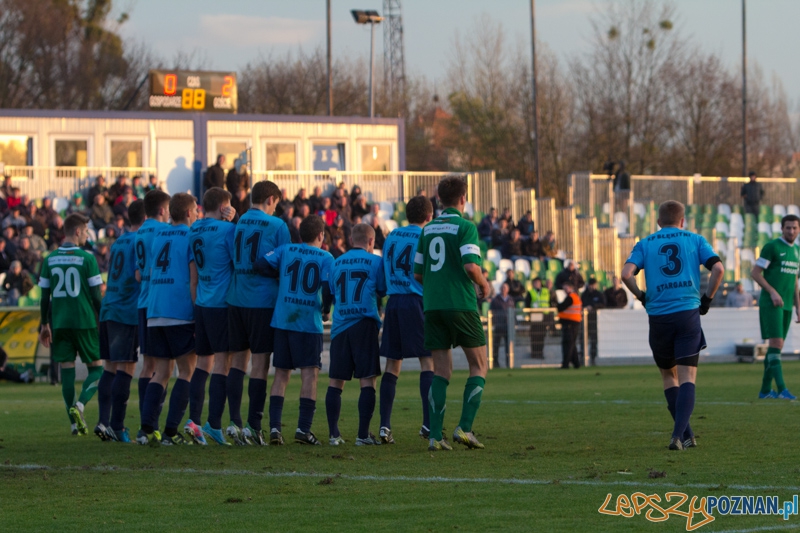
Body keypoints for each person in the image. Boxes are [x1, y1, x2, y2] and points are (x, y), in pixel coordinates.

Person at [621, 199, 724, 451]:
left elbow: (625, 275)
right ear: (682, 221)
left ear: (658, 222)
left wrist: (641, 296)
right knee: (688, 376)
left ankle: (685, 435)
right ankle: (679, 435)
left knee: (669, 375)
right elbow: (718, 269)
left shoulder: (645, 244)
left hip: (659, 316)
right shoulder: (695, 239)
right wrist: (707, 300)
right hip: (688, 314)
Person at [413, 176, 490, 451]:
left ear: (439, 200)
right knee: (479, 365)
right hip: (461, 304)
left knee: (441, 371)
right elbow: (471, 266)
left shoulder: (428, 230)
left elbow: (418, 273)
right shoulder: (466, 227)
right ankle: (465, 428)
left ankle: (435, 436)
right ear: (462, 199)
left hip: (432, 306)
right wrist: (483, 284)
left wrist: (438, 286)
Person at [255, 215, 334, 446]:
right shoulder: (326, 256)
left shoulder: (286, 250)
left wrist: (280, 275)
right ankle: (303, 429)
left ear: (300, 235)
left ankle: (274, 429)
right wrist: (326, 309)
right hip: (308, 322)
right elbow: (328, 287)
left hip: (282, 320)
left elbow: (260, 264)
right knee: (310, 375)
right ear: (321, 235)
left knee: (281, 374)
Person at [226, 180, 290, 445]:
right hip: (262, 301)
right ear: (271, 199)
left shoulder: (237, 224)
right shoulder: (277, 225)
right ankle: (254, 426)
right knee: (260, 365)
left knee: (237, 362)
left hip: (236, 298)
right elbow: (285, 263)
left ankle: (234, 423)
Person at [138, 193, 199, 446]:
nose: (197, 214)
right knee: (187, 371)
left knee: (161, 371)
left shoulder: (159, 236)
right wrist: (198, 313)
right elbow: (193, 279)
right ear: (188, 213)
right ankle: (171, 432)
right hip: (179, 310)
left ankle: (148, 429)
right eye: (195, 210)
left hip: (154, 310)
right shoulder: (190, 237)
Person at [38, 213, 105, 435]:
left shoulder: (50, 258)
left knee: (66, 370)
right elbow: (96, 297)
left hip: (59, 323)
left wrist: (44, 323)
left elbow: (44, 296)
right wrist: (104, 318)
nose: (87, 234)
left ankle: (75, 424)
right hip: (84, 321)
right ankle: (80, 405)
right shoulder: (87, 259)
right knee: (98, 370)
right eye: (86, 231)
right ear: (77, 231)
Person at [376, 196, 435, 444]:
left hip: (395, 302)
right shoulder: (427, 237)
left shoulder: (392, 236)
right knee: (428, 361)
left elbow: (383, 270)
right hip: (417, 301)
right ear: (429, 216)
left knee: (392, 364)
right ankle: (428, 424)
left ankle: (384, 426)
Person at [326, 223, 386, 446]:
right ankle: (362, 434)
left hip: (340, 325)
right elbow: (381, 289)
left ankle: (334, 435)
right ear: (371, 242)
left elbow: (332, 293)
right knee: (367, 380)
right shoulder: (376, 261)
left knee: (335, 382)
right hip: (364, 324)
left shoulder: (337, 261)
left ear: (351, 240)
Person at [188, 187, 237, 445]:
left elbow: (193, 277)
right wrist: (234, 221)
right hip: (221, 304)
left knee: (202, 364)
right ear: (223, 208)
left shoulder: (193, 229)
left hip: (202, 304)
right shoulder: (228, 229)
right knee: (222, 364)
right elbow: (239, 261)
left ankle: (193, 421)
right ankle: (214, 424)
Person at [94, 200, 145, 443]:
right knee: (126, 368)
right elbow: (138, 274)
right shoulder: (139, 241)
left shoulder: (119, 241)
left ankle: (103, 422)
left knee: (109, 368)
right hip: (126, 310)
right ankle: (117, 426)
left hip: (108, 307)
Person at [133, 189, 172, 444]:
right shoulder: (163, 231)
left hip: (142, 302)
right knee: (163, 368)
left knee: (148, 366)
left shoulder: (139, 233)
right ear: (162, 210)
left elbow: (138, 275)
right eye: (168, 209)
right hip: (158, 303)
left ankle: (145, 422)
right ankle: (150, 422)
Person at [750, 214, 800, 400]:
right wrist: (772, 291)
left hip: (786, 305)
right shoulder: (772, 247)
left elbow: (795, 280)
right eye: (788, 227)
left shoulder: (797, 251)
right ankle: (781, 389)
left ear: (799, 229)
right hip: (771, 303)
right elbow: (755, 273)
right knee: (776, 344)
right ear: (782, 228)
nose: (791, 231)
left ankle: (764, 390)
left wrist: (798, 306)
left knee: (776, 348)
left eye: (794, 228)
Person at [557, 280, 582, 369]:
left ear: (570, 287)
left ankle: (566, 363)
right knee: (571, 344)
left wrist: (556, 304)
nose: (564, 289)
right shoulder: (575, 297)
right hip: (574, 323)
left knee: (568, 344)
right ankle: (576, 363)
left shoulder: (570, 297)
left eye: (566, 287)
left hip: (570, 323)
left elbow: (561, 307)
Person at [524, 277, 552, 359]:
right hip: (534, 317)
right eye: (535, 282)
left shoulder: (546, 292)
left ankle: (540, 353)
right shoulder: (531, 293)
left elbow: (550, 302)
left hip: (544, 317)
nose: (537, 284)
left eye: (538, 282)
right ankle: (534, 353)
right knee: (534, 336)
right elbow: (527, 305)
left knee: (541, 336)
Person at [490, 282, 516, 368]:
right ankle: (495, 364)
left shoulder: (511, 300)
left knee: (508, 347)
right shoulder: (496, 300)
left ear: (508, 289)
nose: (504, 289)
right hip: (499, 326)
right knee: (496, 346)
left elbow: (513, 312)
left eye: (505, 287)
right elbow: (492, 312)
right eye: (502, 287)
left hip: (508, 326)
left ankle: (509, 363)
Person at [581, 277, 606, 364]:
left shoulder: (599, 294)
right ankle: (582, 356)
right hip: (584, 321)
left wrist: (593, 307)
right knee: (583, 339)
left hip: (594, 320)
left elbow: (603, 304)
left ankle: (593, 357)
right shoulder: (584, 295)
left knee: (593, 340)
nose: (591, 287)